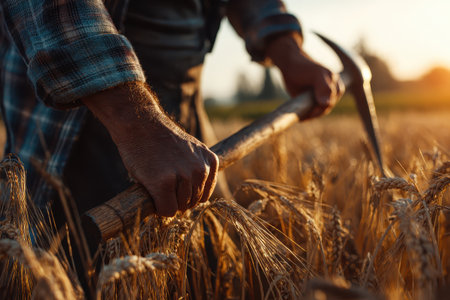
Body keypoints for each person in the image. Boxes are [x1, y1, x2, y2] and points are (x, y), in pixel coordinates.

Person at [0, 0, 344, 219]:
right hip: (86, 121)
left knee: (207, 266)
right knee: (82, 266)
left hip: (185, 114)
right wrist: (136, 122)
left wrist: (286, 49)